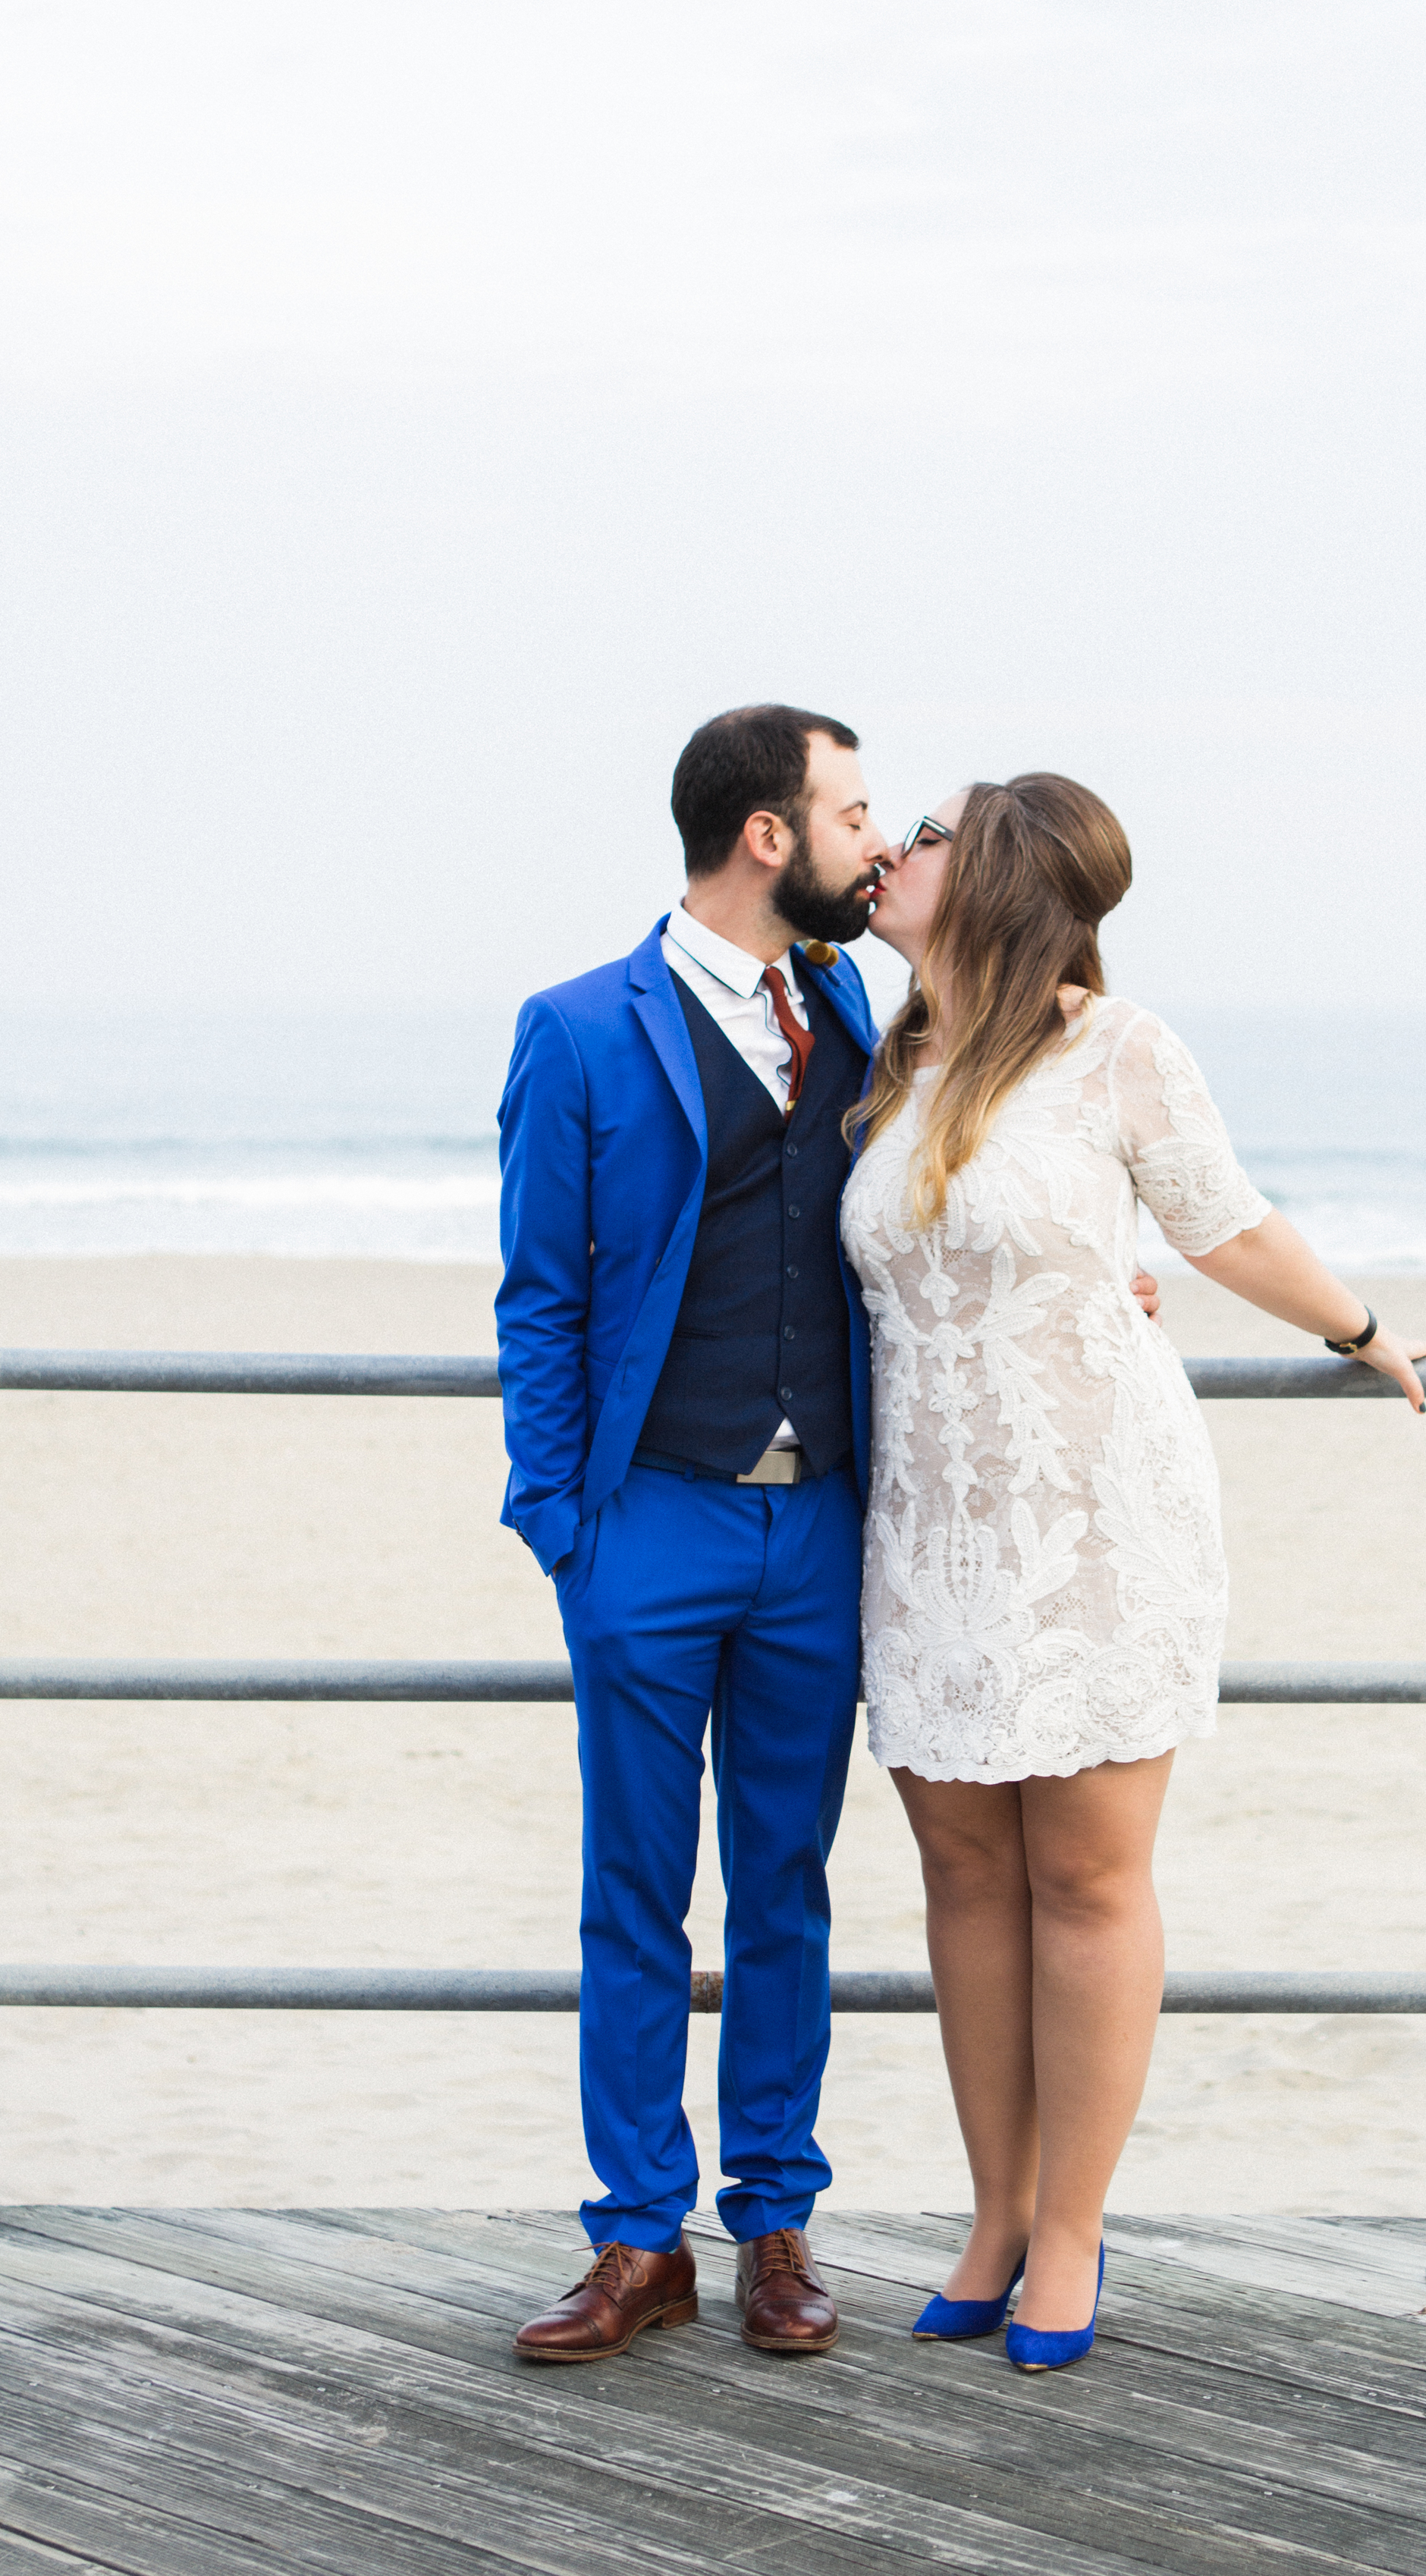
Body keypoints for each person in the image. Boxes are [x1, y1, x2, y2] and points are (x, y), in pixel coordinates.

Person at [843, 774, 1426, 2371]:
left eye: (929, 836)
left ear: (1004, 877)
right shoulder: (889, 1053)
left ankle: (1073, 2236)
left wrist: (1360, 1332)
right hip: (926, 1534)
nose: (891, 851)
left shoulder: (1115, 1044)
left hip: (1097, 1514)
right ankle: (992, 2211)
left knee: (1083, 1880)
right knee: (963, 1880)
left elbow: (1220, 1225)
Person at [497, 705, 887, 2361]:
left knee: (787, 1884)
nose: (878, 844)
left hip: (819, 1532)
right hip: (647, 1524)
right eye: (854, 814)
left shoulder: (854, 1004)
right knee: (633, 1891)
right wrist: (566, 1528)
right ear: (765, 837)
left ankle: (775, 2225)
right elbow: (540, 1297)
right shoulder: (581, 1029)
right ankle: (634, 2237)